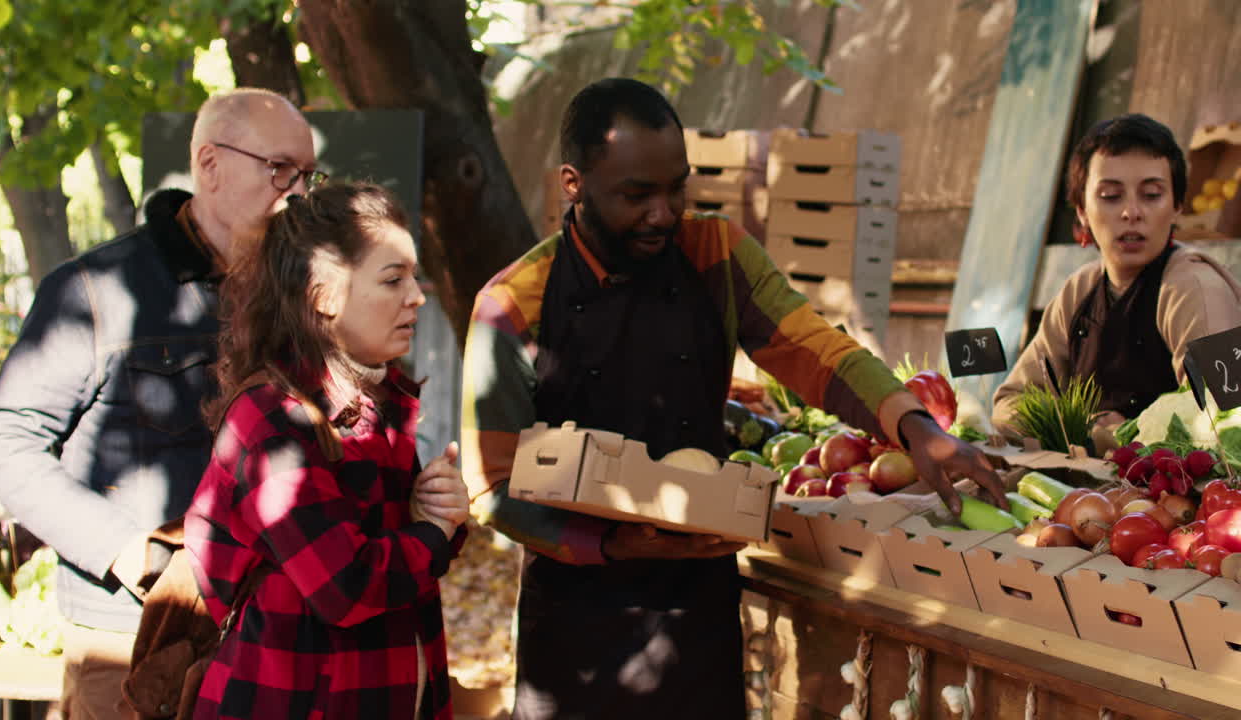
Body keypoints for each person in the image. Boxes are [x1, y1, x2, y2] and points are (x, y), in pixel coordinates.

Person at [459, 77, 1004, 720]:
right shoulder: (510, 306)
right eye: (637, 195)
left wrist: (914, 425)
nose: (664, 213)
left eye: (677, 188)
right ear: (573, 184)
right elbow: (492, 485)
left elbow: (814, 347)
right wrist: (619, 542)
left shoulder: (717, 251)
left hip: (696, 604)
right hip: (575, 620)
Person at [0, 87, 321, 718]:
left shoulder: (300, 295)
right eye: (279, 169)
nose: (296, 193)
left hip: (274, 633)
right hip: (132, 638)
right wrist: (126, 549)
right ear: (209, 164)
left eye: (307, 176)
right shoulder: (94, 290)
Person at [182, 182, 469, 719]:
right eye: (393, 279)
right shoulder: (272, 417)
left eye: (414, 277)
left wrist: (436, 510)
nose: (417, 297)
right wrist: (434, 533)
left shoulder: (377, 401)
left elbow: (399, 558)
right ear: (323, 294)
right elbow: (346, 587)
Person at [992, 113, 1241, 435]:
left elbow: (1227, 419)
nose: (1131, 212)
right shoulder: (1079, 290)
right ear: (1082, 210)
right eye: (1110, 196)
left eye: (1151, 195)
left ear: (1178, 205)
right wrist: (1082, 429)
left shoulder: (1195, 287)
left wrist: (1125, 436)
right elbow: (1010, 402)